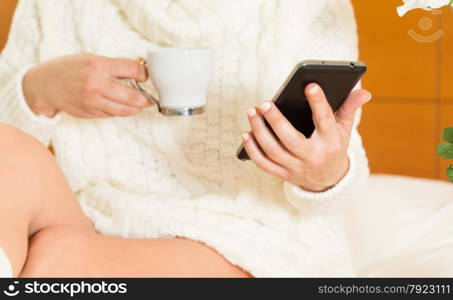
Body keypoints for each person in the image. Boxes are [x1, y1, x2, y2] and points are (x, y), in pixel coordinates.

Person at [0, 0, 452, 278]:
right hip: (89, 216)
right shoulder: (54, 4)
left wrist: (322, 171)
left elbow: (338, 177)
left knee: (60, 259)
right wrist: (38, 89)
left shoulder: (306, 7)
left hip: (243, 238)